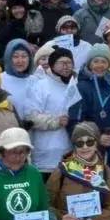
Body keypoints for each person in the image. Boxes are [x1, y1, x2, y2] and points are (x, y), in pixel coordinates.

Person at [21, 46, 81, 178]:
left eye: (69, 63)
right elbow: (30, 116)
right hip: (46, 157)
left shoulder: (75, 85)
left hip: (70, 153)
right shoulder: (40, 85)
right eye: (62, 63)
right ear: (52, 65)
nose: (66, 66)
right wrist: (56, 121)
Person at [75, 46, 110, 163]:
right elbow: (76, 122)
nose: (100, 65)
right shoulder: (82, 87)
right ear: (89, 64)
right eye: (96, 61)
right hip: (90, 147)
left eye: (104, 61)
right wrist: (96, 138)